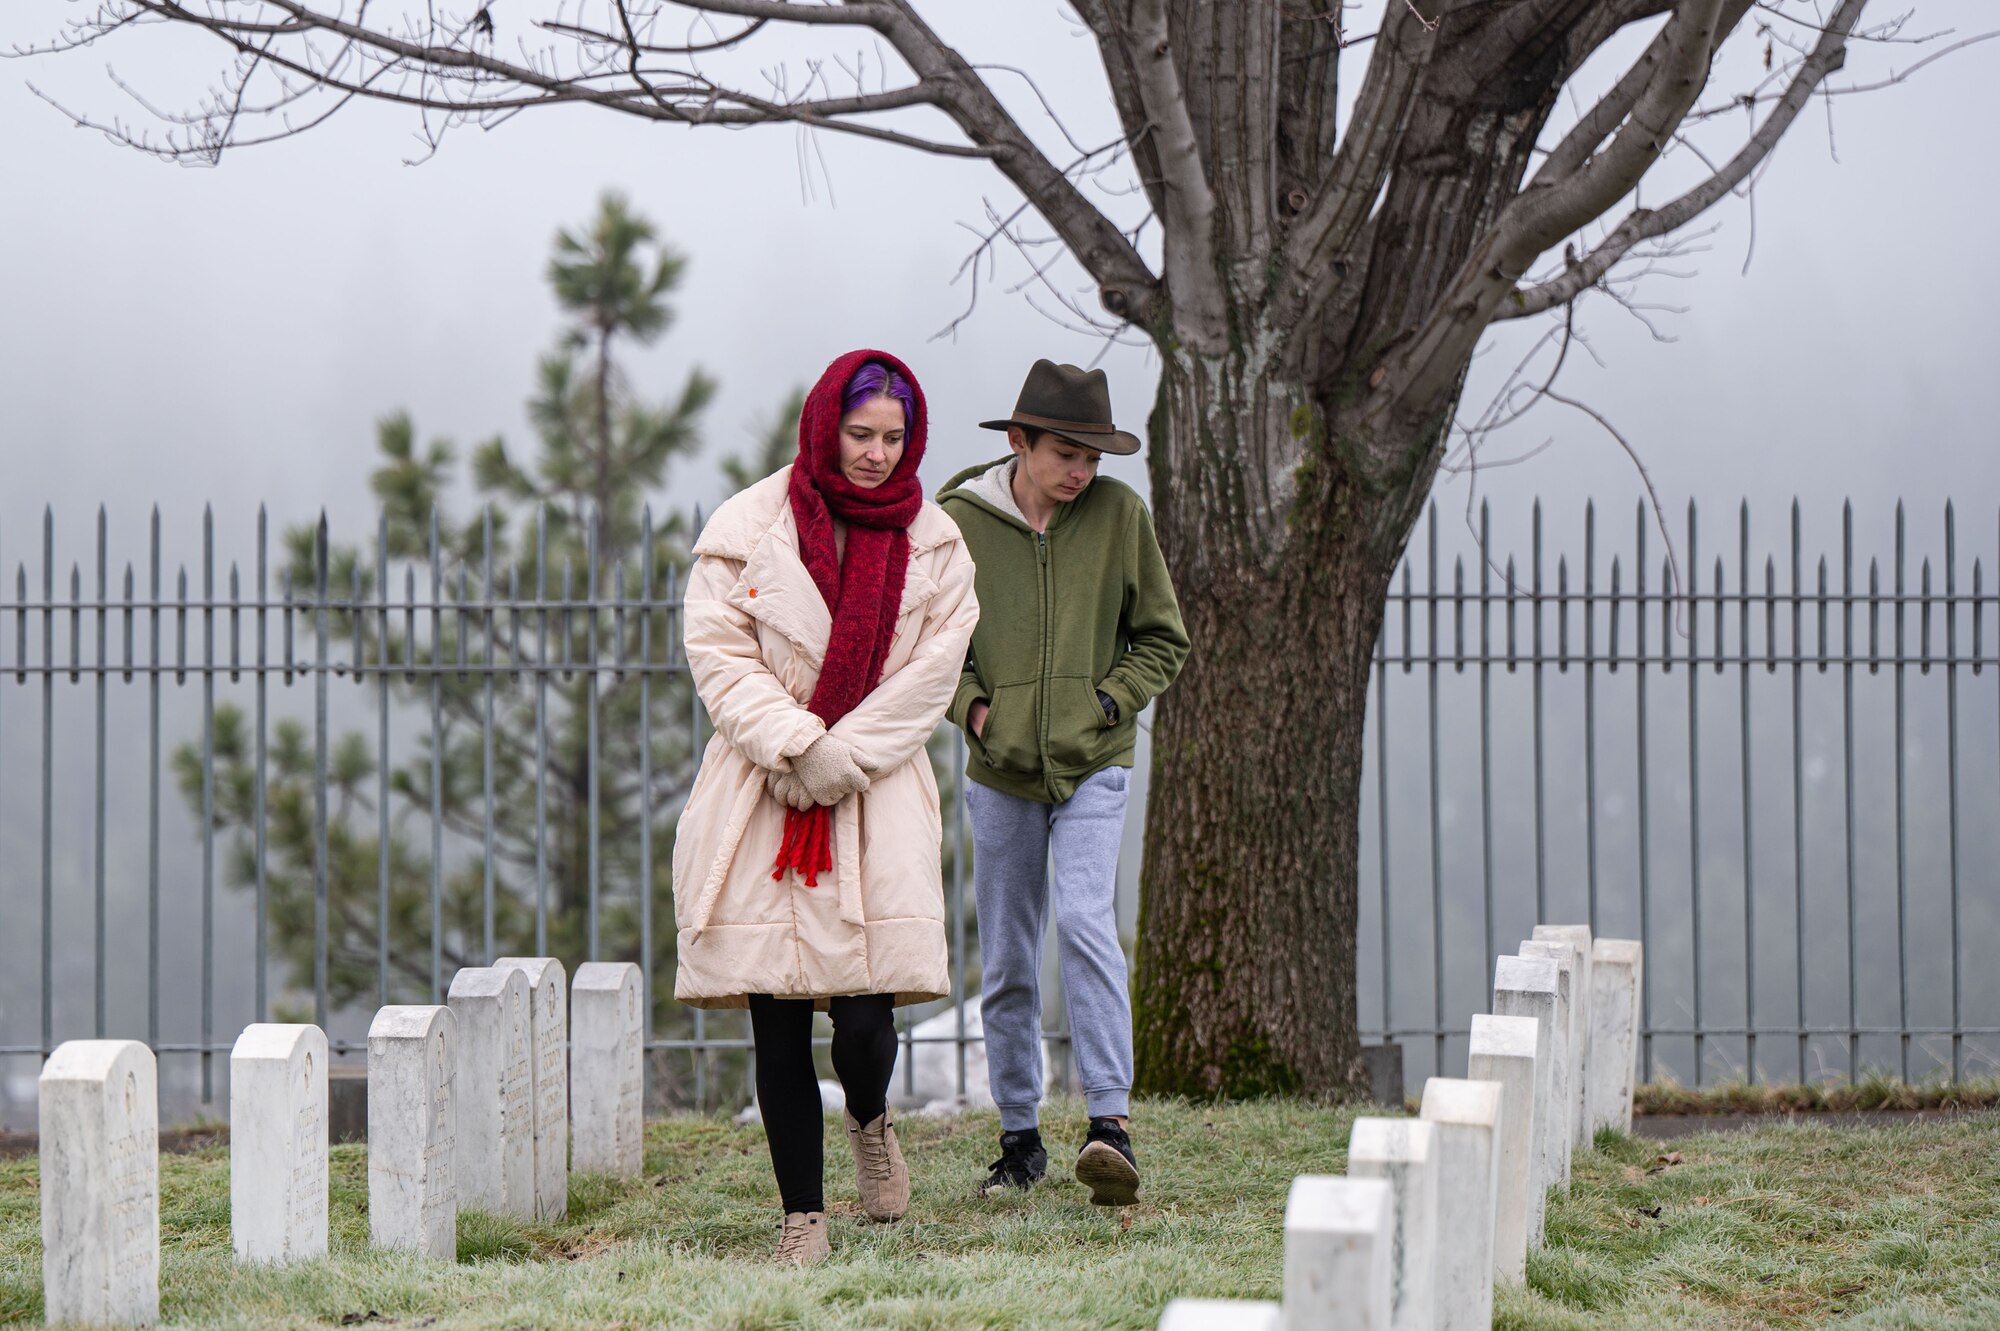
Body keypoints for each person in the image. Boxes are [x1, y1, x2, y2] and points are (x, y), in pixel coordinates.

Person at [672, 349, 978, 1262]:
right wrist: (795, 743)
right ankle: (801, 1212)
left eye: (893, 436)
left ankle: (873, 1118)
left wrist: (837, 754)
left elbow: (933, 676)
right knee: (777, 1021)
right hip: (763, 790)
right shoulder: (746, 526)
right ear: (824, 426)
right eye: (860, 434)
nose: (878, 453)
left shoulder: (935, 542)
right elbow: (719, 653)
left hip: (873, 793)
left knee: (862, 1023)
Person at [937, 359, 1189, 1206]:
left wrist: (1110, 700)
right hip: (999, 772)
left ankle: (1109, 1127)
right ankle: (1019, 1137)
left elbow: (1163, 637)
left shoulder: (1121, 517)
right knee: (1007, 951)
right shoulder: (958, 522)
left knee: (1085, 921)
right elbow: (931, 645)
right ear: (1019, 442)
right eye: (1066, 452)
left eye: (1095, 455)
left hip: (1094, 764)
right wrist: (975, 711)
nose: (1082, 471)